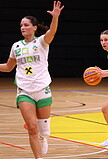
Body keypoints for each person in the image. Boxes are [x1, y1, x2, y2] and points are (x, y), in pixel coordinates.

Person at [0, 1, 64, 159]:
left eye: (26, 24)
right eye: (21, 25)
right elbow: (8, 67)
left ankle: (44, 138)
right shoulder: (16, 46)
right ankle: (38, 158)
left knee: (44, 131)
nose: (23, 27)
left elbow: (52, 32)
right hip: (24, 91)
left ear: (34, 27)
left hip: (43, 89)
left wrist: (55, 17)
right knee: (32, 128)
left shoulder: (41, 42)